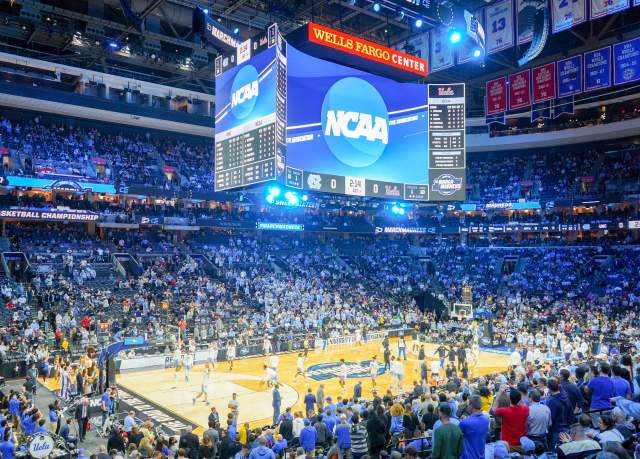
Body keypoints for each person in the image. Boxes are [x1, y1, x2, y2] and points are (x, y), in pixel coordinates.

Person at [491, 384, 529, 450]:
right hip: (521, 443)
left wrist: (499, 394)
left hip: (508, 445)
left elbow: (493, 409)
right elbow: (522, 402)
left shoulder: (505, 411)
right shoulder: (525, 409)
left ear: (510, 399)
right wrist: (516, 393)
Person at [547, 377, 573, 451]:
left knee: (555, 452)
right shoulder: (565, 397)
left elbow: (550, 419)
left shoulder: (552, 401)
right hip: (566, 428)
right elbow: (571, 413)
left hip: (556, 430)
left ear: (549, 388)